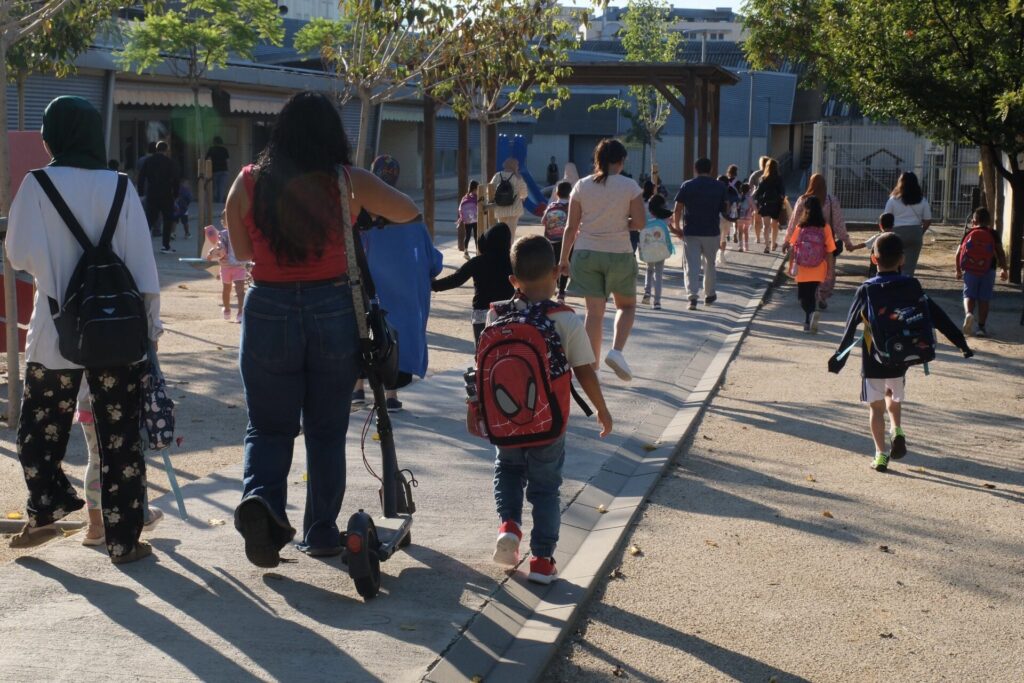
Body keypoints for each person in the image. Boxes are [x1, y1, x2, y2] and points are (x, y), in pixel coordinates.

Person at [224, 91, 419, 566]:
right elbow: (409, 210)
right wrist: (362, 217)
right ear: (333, 135)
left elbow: (243, 251)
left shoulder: (247, 182)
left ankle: (263, 505)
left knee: (267, 427)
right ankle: (321, 531)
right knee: (326, 429)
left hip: (267, 308)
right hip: (333, 309)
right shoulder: (347, 182)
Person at [5, 96, 162, 563]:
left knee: (40, 427)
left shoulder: (37, 186)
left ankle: (48, 508)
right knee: (120, 436)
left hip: (56, 333)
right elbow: (142, 267)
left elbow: (18, 254)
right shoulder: (120, 186)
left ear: (52, 135)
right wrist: (150, 333)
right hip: (115, 334)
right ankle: (123, 540)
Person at [488, 235, 612, 584]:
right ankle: (542, 560)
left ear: (513, 281)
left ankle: (509, 526)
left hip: (506, 420)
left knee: (508, 471)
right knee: (545, 488)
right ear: (557, 273)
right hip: (549, 421)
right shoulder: (566, 319)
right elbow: (585, 370)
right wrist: (602, 410)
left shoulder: (495, 313)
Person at [828, 233, 973, 472]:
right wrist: (962, 344)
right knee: (893, 394)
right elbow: (938, 317)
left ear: (874, 260)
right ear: (902, 260)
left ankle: (881, 454)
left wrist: (839, 357)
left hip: (874, 356)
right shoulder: (912, 285)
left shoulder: (866, 290)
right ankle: (897, 429)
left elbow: (850, 325)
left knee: (875, 408)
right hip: (902, 354)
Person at [559, 139, 645, 381]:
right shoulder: (630, 186)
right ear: (621, 161)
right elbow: (639, 223)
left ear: (597, 160)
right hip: (619, 252)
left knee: (593, 313)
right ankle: (616, 352)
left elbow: (570, 227)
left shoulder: (582, 186)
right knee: (626, 306)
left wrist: (564, 259)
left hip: (586, 253)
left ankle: (591, 367)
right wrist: (620, 222)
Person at [77, 384, 164, 547]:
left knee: (95, 459)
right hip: (121, 397)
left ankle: (95, 526)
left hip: (87, 399)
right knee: (127, 459)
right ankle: (136, 518)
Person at [432, 223, 515, 346]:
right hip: (508, 313)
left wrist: (433, 285)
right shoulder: (513, 261)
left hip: (482, 314)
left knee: (483, 354)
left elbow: (456, 279)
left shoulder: (477, 262)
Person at [783, 173, 855, 309]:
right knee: (827, 269)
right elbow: (839, 223)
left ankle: (809, 296)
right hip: (826, 243)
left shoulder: (803, 200)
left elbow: (794, 222)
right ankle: (821, 295)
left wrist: (788, 240)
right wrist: (847, 241)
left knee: (808, 269)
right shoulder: (831, 201)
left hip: (805, 245)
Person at [671, 157, 729, 311]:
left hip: (691, 231)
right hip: (712, 231)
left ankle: (692, 298)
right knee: (710, 264)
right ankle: (709, 295)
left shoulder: (687, 185)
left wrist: (677, 227)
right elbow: (726, 208)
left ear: (695, 169)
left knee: (692, 265)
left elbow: (677, 208)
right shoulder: (720, 186)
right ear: (710, 170)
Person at [785, 196, 837, 333]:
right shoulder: (825, 227)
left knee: (802, 296)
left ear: (805, 210)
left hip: (802, 267)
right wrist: (831, 270)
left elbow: (793, 247)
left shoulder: (801, 227)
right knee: (812, 293)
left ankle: (809, 316)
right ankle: (810, 318)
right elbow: (830, 251)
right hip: (818, 267)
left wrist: (790, 266)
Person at [955, 207, 1009, 337]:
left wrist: (958, 270)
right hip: (988, 269)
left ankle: (969, 314)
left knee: (968, 294)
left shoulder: (969, 232)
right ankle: (981, 328)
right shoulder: (993, 233)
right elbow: (1000, 252)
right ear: (989, 221)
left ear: (974, 220)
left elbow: (958, 253)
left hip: (970, 269)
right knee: (984, 298)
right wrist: (1004, 269)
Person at [884, 172, 932, 277]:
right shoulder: (922, 200)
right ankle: (906, 286)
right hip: (915, 232)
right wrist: (921, 231)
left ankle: (894, 285)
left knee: (894, 263)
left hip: (896, 232)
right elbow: (928, 219)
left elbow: (886, 217)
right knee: (910, 266)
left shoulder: (893, 200)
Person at [138, 140, 180, 253]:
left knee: (149, 219)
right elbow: (176, 180)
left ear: (156, 149)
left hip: (152, 193)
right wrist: (176, 194)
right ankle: (165, 246)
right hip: (166, 194)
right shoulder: (170, 162)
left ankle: (142, 244)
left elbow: (141, 177)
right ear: (166, 150)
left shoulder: (148, 161)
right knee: (167, 220)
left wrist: (141, 193)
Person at [204, 214, 247, 322]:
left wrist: (211, 253)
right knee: (234, 290)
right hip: (233, 266)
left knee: (233, 290)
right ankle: (233, 311)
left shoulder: (230, 233)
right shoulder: (236, 233)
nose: (223, 221)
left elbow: (220, 248)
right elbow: (219, 247)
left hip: (232, 266)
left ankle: (234, 311)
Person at [641, 194, 675, 310]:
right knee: (659, 274)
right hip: (661, 249)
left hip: (648, 248)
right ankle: (657, 301)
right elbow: (670, 229)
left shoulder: (645, 216)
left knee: (649, 270)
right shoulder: (666, 216)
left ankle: (647, 292)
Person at [542, 181, 572, 302]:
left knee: (554, 264)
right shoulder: (571, 206)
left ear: (557, 193)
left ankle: (554, 286)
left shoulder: (551, 206)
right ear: (570, 194)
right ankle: (561, 292)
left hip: (551, 239)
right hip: (567, 240)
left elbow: (543, 221)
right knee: (565, 263)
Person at [752, 157, 785, 253]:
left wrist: (760, 201)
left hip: (765, 205)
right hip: (776, 205)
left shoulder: (763, 179)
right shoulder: (779, 179)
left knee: (766, 226)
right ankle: (773, 244)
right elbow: (782, 192)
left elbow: (758, 194)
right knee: (774, 225)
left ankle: (766, 246)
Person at [491, 157, 528, 241]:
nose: (518, 166)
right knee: (511, 232)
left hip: (500, 208)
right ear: (514, 166)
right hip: (514, 209)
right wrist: (521, 196)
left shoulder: (497, 175)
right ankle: (509, 250)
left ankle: (501, 250)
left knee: (501, 231)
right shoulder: (517, 177)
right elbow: (524, 193)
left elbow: (490, 190)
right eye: (517, 165)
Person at [852, 212, 895, 278]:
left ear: (880, 225)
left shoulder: (877, 237)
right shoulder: (896, 238)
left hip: (877, 270)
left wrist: (852, 247)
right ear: (893, 225)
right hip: (893, 269)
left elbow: (864, 244)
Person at [717, 174, 741, 265]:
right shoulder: (732, 191)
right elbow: (738, 203)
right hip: (728, 218)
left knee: (716, 237)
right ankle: (722, 255)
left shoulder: (717, 190)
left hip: (717, 217)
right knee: (723, 238)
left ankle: (715, 255)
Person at [747, 156, 769, 243]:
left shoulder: (755, 174)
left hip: (757, 199)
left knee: (757, 219)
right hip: (768, 199)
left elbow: (750, 186)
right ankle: (766, 237)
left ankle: (758, 238)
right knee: (767, 221)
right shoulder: (771, 174)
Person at [457, 180, 480, 260]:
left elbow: (460, 208)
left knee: (468, 235)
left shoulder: (465, 197)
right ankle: (478, 251)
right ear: (475, 188)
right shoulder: (476, 197)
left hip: (467, 220)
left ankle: (466, 251)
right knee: (476, 235)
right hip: (475, 219)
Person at [206, 135, 231, 203]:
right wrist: (228, 170)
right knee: (221, 188)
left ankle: (214, 202)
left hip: (215, 170)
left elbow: (207, 159)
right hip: (224, 171)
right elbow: (227, 161)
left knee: (215, 188)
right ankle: (219, 202)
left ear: (214, 142)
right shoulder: (224, 149)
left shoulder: (211, 149)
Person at [736, 182, 753, 252]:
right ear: (749, 190)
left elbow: (737, 206)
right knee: (746, 231)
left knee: (740, 231)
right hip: (748, 217)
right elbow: (754, 207)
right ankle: (746, 246)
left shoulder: (739, 197)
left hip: (740, 216)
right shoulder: (749, 198)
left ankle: (740, 246)